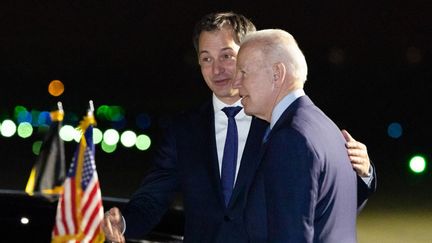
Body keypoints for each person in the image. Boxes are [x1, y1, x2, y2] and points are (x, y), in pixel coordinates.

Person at [102, 12, 376, 243]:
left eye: (226, 56)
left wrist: (363, 175)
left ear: (248, 53)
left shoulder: (285, 125)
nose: (217, 69)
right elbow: (153, 198)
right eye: (206, 59)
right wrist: (124, 223)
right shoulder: (183, 130)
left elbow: (324, 203)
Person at [234, 29, 360, 242]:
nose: (236, 83)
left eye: (244, 72)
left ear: (277, 74)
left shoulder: (290, 138)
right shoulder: (324, 126)